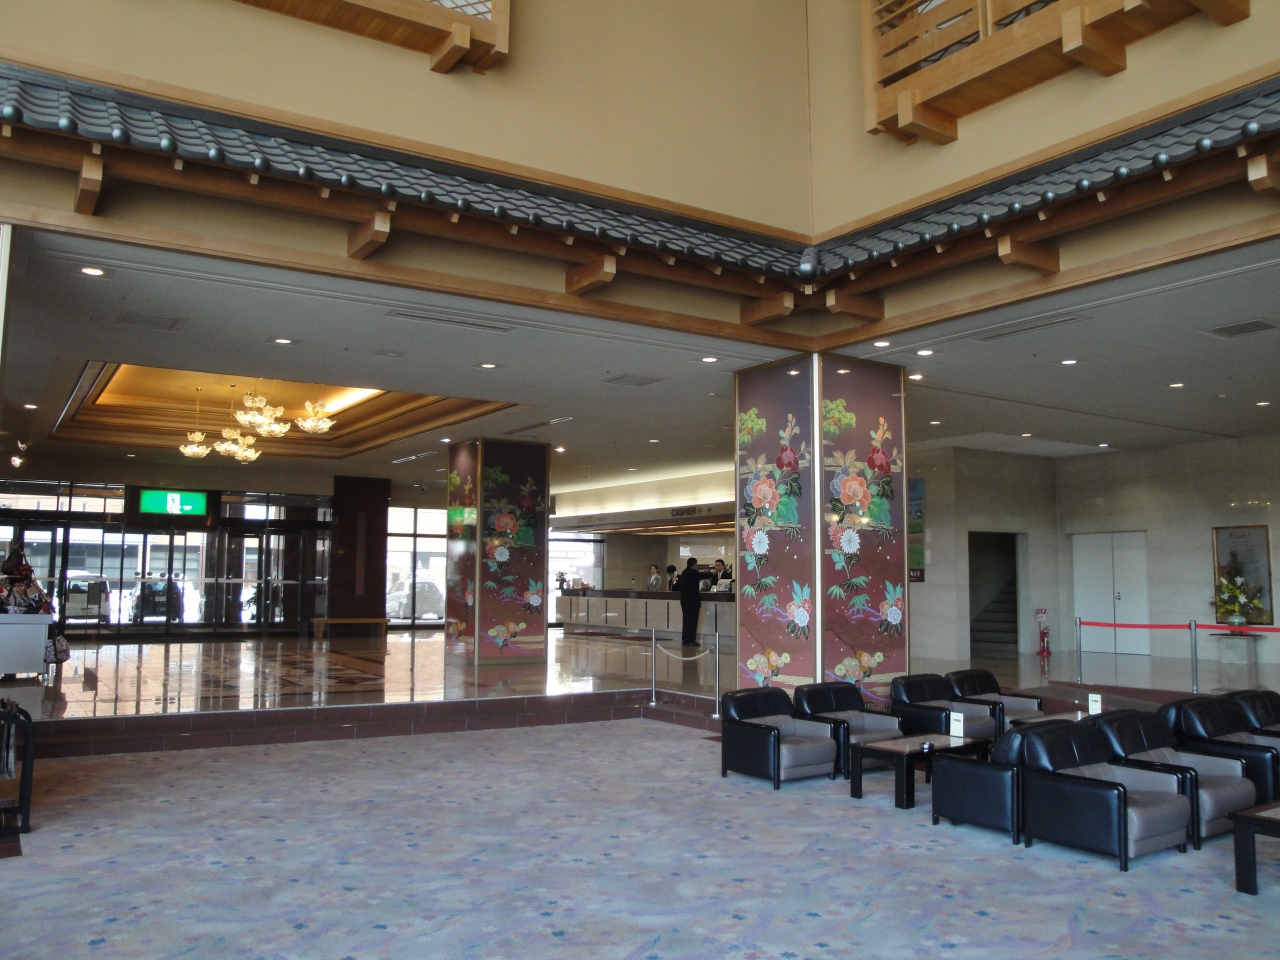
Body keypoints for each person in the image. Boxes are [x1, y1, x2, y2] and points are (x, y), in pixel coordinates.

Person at [676, 557, 715, 646]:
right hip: (692, 601)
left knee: (686, 620)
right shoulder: (693, 572)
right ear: (694, 564)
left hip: (685, 601)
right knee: (692, 621)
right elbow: (703, 576)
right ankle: (691, 640)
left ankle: (685, 639)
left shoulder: (684, 572)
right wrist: (712, 572)